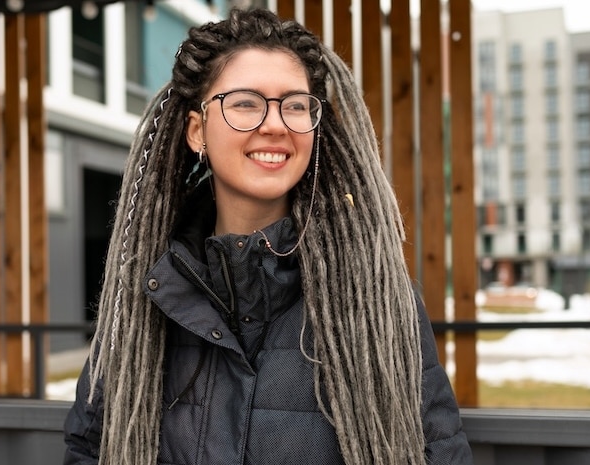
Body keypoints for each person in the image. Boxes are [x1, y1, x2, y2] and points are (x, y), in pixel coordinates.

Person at [63, 7, 472, 465]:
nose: (275, 124)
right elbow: (91, 448)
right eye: (245, 103)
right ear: (197, 130)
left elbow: (438, 451)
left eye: (295, 105)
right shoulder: (142, 296)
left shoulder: (379, 300)